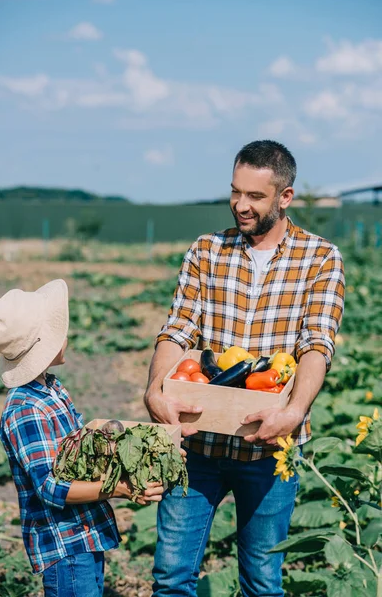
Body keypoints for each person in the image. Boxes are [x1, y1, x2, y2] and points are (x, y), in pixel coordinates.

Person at [144, 140, 345, 597]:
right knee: (172, 580)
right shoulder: (206, 250)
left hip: (270, 448)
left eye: (255, 196)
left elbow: (317, 343)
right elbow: (177, 331)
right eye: (235, 192)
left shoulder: (320, 258)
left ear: (285, 197)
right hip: (197, 443)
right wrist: (156, 387)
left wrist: (293, 411)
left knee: (261, 582)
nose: (240, 205)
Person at [0, 279, 164, 597]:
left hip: (85, 535)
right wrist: (120, 488)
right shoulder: (26, 410)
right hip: (65, 547)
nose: (64, 333)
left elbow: (84, 451)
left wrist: (148, 451)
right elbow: (53, 488)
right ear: (43, 344)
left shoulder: (52, 389)